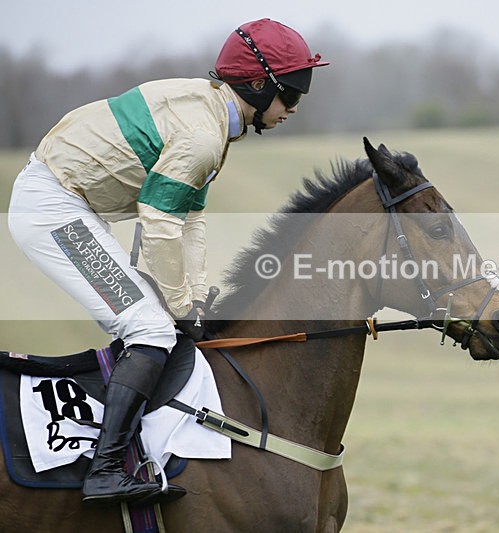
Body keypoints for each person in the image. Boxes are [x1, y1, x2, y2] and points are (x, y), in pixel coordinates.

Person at [6, 18, 328, 506]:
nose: (294, 110)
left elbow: (190, 219)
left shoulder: (213, 119)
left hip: (71, 203)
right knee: (152, 329)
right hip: (54, 208)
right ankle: (105, 469)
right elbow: (157, 223)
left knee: (158, 323)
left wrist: (194, 296)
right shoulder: (203, 135)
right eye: (292, 97)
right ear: (259, 86)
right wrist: (180, 306)